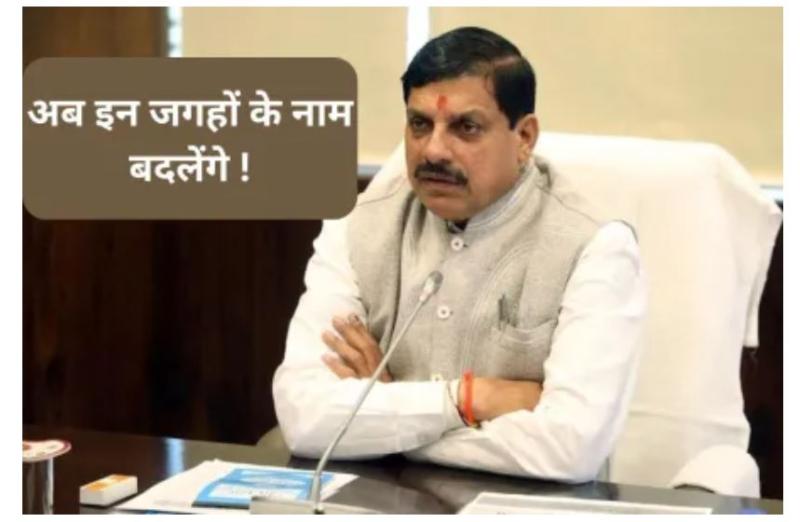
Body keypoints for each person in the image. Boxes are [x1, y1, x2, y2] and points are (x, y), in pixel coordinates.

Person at [272, 26, 646, 483]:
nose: (433, 150)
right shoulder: (356, 227)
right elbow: (304, 419)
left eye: (465, 127)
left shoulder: (595, 246)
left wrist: (387, 421)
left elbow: (570, 449)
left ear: (525, 137)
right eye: (419, 124)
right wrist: (469, 400)